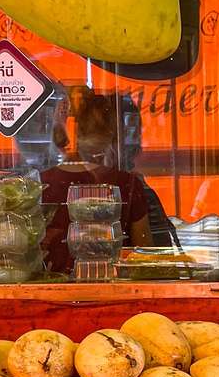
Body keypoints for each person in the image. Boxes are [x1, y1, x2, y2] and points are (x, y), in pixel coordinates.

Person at [41, 88, 173, 273]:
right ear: (112, 135)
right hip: (117, 290)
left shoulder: (39, 185)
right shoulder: (127, 184)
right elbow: (146, 260)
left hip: (50, 293)